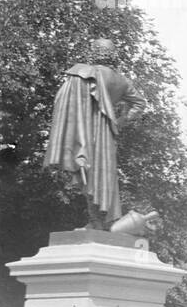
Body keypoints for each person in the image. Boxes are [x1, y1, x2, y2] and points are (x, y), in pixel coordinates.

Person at [43, 38, 145, 230]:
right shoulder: (121, 80)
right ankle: (101, 222)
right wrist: (121, 121)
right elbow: (140, 103)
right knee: (102, 176)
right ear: (112, 55)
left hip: (85, 130)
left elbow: (66, 104)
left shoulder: (82, 73)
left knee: (87, 174)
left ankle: (97, 222)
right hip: (107, 133)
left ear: (94, 53)